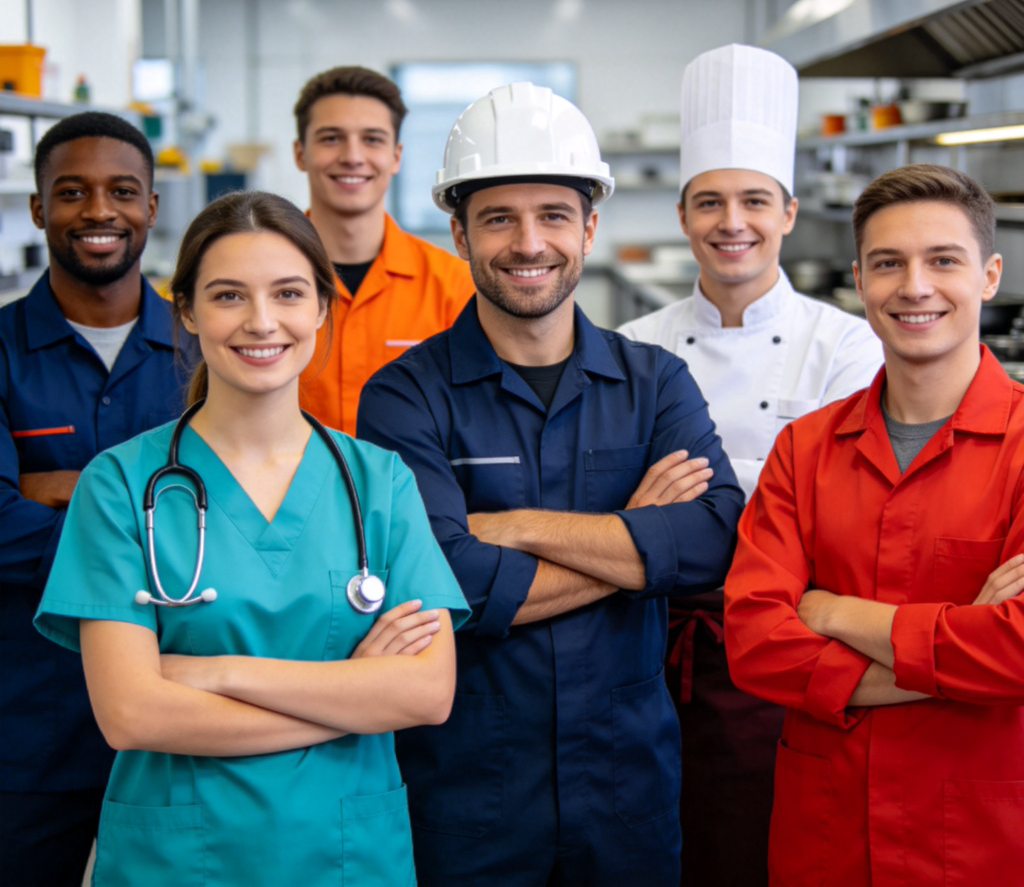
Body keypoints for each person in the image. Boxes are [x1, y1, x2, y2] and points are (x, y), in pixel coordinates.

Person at [357, 81, 744, 886]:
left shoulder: (656, 382)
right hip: (469, 794)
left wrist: (515, 526)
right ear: (458, 233)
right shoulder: (402, 395)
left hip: (626, 788)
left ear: (589, 227)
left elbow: (709, 543)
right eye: (498, 218)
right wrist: (635, 536)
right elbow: (445, 581)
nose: (528, 243)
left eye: (554, 215)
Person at [34, 191, 469, 886]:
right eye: (229, 295)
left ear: (321, 309)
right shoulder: (120, 485)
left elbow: (426, 694)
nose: (261, 322)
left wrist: (214, 672)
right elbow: (131, 713)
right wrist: (352, 698)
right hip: (178, 860)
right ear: (187, 311)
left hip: (347, 856)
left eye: (289, 293)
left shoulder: (377, 482)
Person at [618, 44, 883, 886]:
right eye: (710, 202)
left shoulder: (848, 344)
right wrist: (773, 476)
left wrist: (677, 499)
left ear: (790, 211)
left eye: (754, 201)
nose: (733, 221)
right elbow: (612, 506)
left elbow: (838, 509)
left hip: (789, 648)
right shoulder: (634, 347)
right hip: (649, 652)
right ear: (685, 215)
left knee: (770, 848)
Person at [725, 163, 1024, 886]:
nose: (914, 287)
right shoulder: (806, 448)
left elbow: (1018, 650)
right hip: (828, 833)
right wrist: (956, 658)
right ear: (860, 280)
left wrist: (833, 612)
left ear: (989, 276)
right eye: (889, 264)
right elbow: (756, 642)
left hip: (983, 837)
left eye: (943, 261)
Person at [0, 111, 190, 887]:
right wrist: (160, 531)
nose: (99, 212)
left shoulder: (203, 348)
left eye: (122, 191)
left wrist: (56, 490)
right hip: (27, 721)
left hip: (180, 711)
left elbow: (250, 503)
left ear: (151, 205)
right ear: (40, 207)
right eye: (72, 193)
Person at [293, 65, 475, 433]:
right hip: (285, 491)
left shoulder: (455, 286)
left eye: (372, 139)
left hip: (414, 490)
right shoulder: (261, 279)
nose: (353, 156)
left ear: (396, 155)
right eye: (331, 138)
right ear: (300, 153)